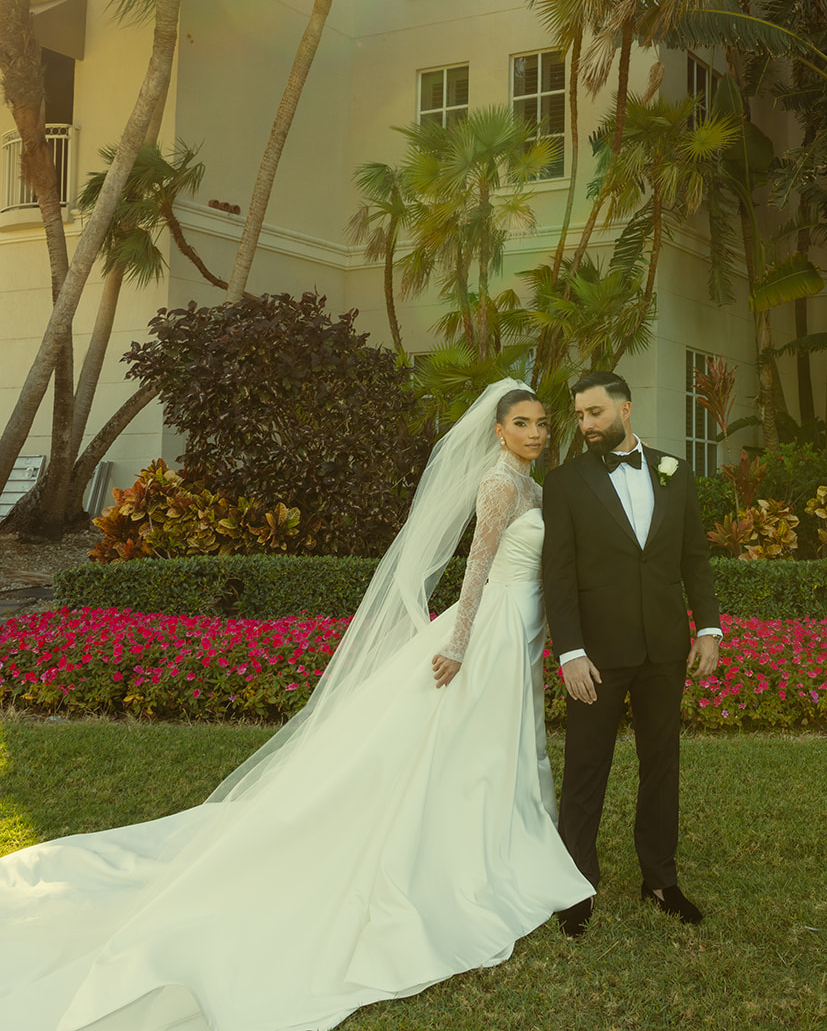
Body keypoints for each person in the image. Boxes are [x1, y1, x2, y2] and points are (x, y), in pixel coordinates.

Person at [0, 380, 593, 1031]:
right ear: (499, 431)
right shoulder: (499, 486)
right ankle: (462, 851)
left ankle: (502, 836)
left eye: (541, 422)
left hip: (525, 630)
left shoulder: (536, 487)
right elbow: (475, 571)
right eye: (523, 423)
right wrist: (457, 642)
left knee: (494, 742)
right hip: (489, 632)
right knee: (465, 743)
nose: (536, 432)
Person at [542, 369, 722, 937]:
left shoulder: (675, 470)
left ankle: (661, 879)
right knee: (586, 770)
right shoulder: (566, 482)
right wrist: (570, 651)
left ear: (625, 409)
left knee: (661, 764)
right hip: (596, 653)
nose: (586, 424)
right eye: (578, 415)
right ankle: (576, 885)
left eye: (594, 413)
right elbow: (558, 576)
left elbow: (694, 557)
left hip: (664, 649)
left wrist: (709, 629)